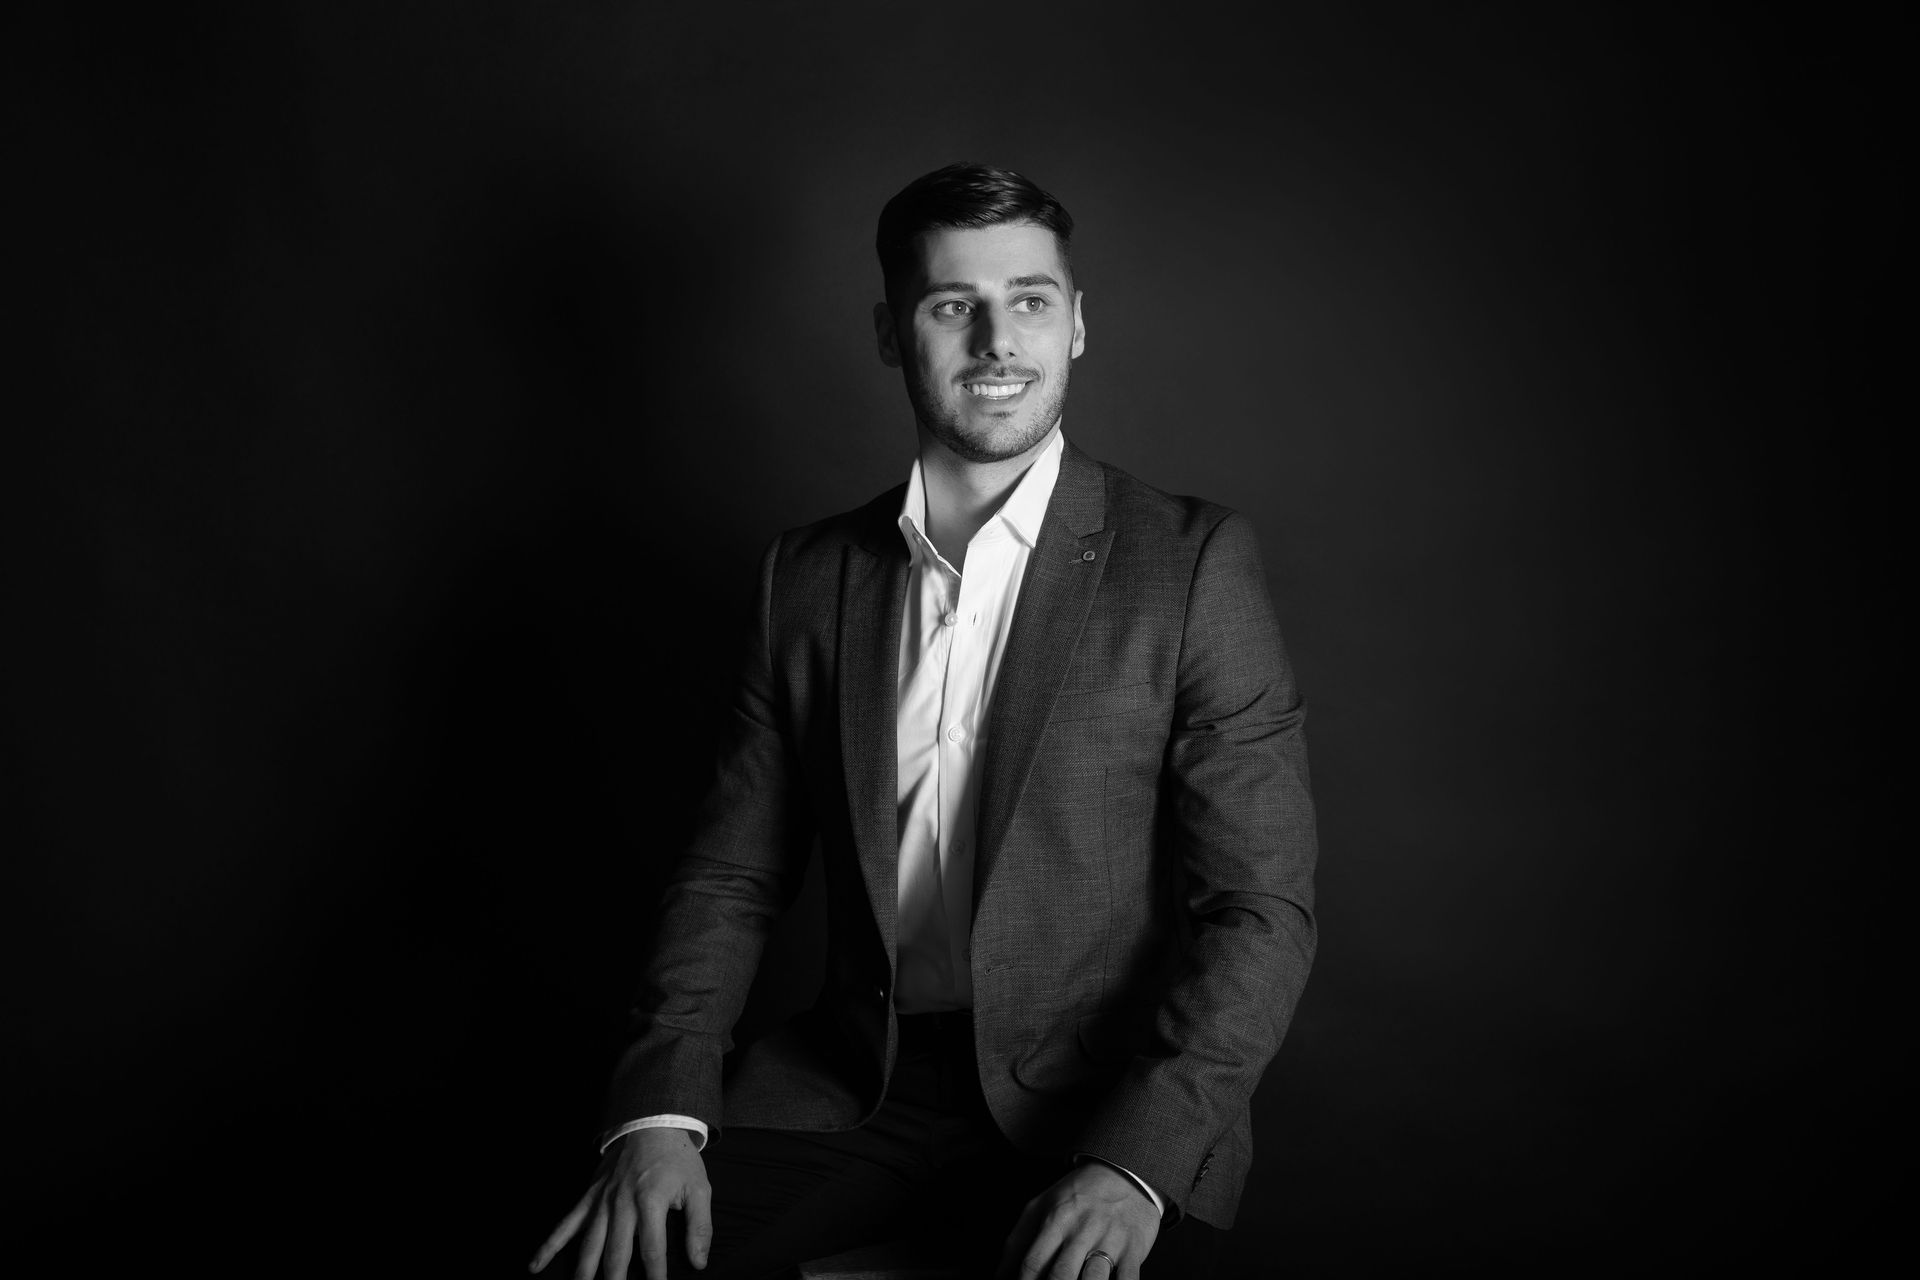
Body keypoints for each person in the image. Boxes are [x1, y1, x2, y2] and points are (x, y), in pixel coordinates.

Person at [531, 162, 1318, 1280]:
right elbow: (729, 880)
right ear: (893, 334)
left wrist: (1137, 1160)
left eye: (1031, 300)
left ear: (1078, 324)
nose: (998, 338)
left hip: (1094, 1099)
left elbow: (1258, 907)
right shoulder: (805, 577)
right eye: (955, 304)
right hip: (849, 1088)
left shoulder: (1189, 563)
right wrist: (659, 1112)